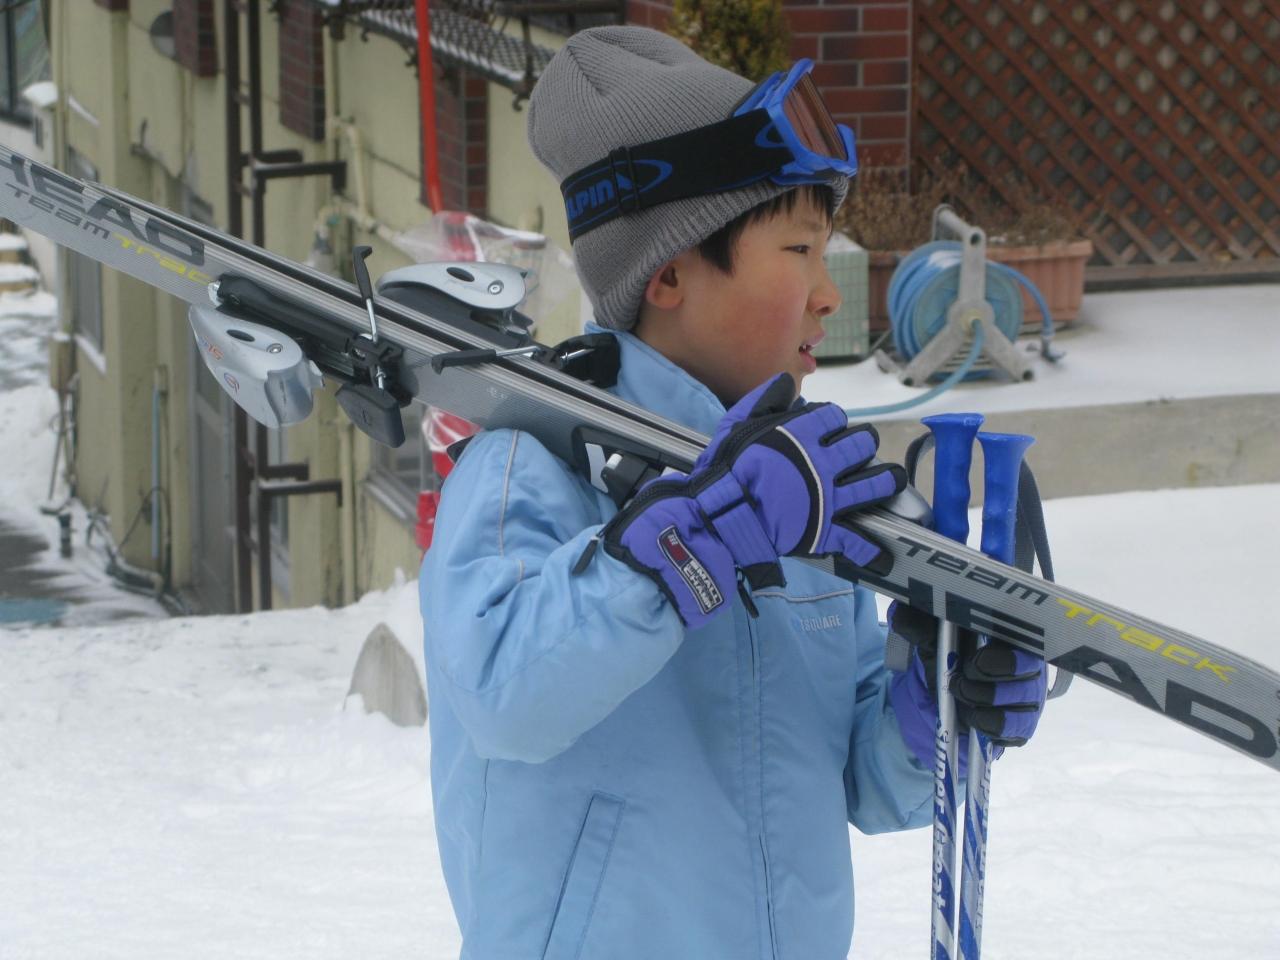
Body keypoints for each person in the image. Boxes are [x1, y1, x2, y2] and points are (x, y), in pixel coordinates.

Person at [419, 26, 1047, 960]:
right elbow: (505, 695)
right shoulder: (525, 466)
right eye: (798, 249)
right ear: (668, 272)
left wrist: (930, 716)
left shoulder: (799, 489)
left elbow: (858, 776)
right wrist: (694, 544)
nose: (828, 293)